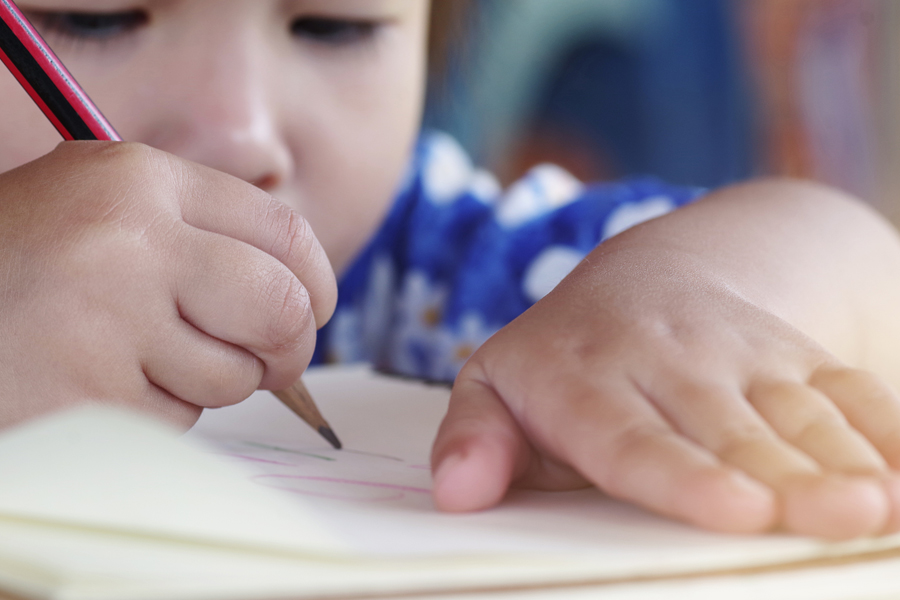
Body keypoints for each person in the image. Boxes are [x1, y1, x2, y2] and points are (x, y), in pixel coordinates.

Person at [2, 0, 900, 540]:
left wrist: (695, 296)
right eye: (95, 15)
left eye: (335, 24)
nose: (241, 131)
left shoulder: (440, 267)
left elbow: (860, 260)